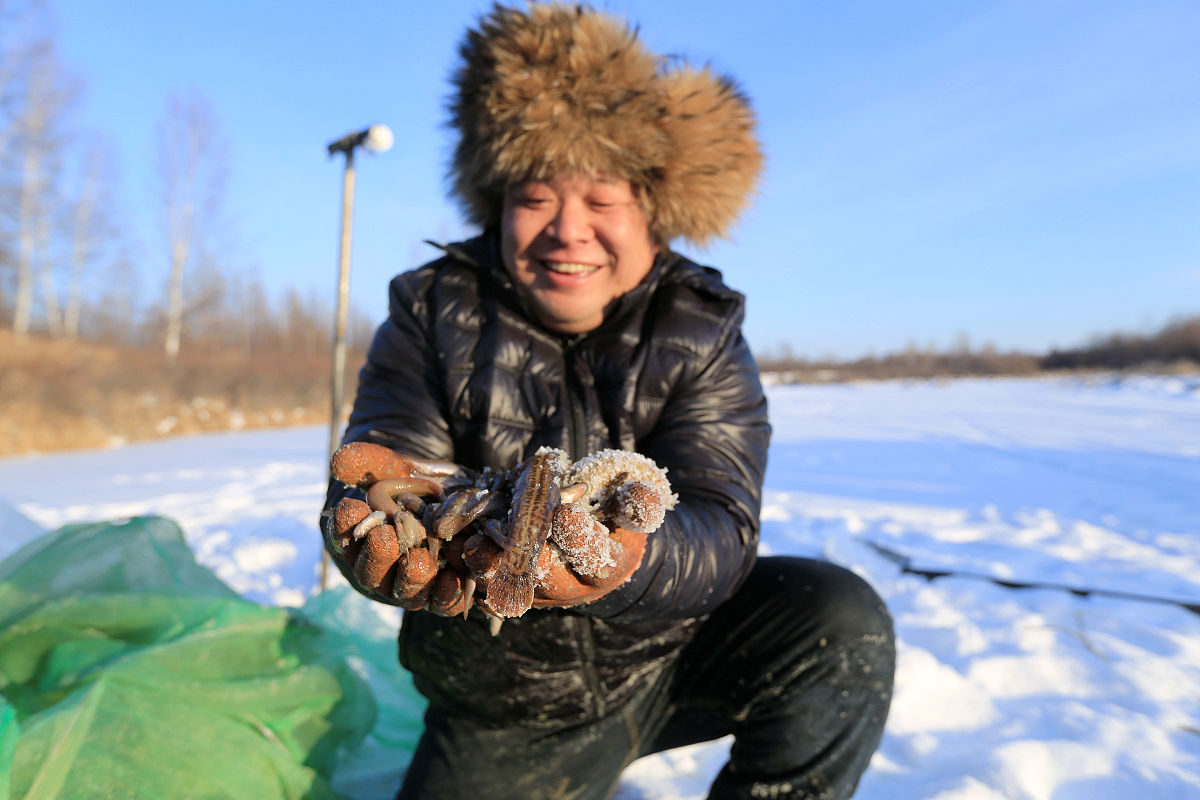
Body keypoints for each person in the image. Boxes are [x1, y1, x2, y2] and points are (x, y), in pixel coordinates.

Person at [322, 4, 895, 799]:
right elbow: (388, 461)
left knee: (837, 619)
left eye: (602, 198)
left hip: (674, 651)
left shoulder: (702, 323)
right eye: (536, 195)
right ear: (496, 200)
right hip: (507, 702)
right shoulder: (430, 310)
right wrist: (372, 529)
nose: (568, 230)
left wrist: (630, 563)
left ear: (653, 211)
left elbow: (720, 517)